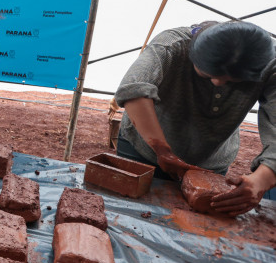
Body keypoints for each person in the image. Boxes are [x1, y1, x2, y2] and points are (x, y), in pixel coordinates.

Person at [115, 21, 276, 216]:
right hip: (143, 148)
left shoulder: (271, 65)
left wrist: (262, 179)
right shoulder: (171, 46)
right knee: (130, 209)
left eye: (233, 81)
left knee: (197, 216)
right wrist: (161, 149)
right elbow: (133, 90)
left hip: (210, 159)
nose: (217, 83)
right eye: (207, 75)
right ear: (193, 54)